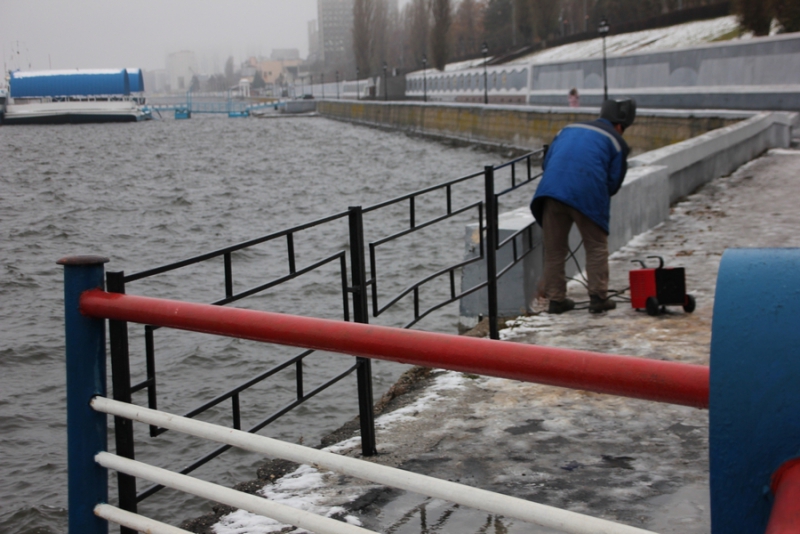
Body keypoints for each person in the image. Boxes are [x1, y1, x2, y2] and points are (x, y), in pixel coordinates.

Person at [530, 98, 636, 314]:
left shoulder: (568, 129)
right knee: (596, 246)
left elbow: (547, 161)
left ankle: (556, 299)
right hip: (586, 193)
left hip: (550, 191)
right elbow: (613, 182)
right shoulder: (616, 141)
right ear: (619, 126)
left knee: (554, 250)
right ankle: (598, 298)